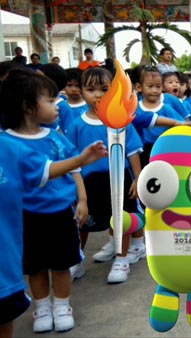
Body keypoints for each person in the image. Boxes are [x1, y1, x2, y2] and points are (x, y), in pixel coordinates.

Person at [0, 69, 88, 333]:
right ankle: (42, 307)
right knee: (34, 266)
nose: (57, 104)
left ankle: (62, 305)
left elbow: (74, 170)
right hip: (25, 216)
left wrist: (82, 199)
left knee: (61, 264)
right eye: (50, 100)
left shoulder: (54, 137)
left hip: (60, 212)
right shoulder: (8, 143)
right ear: (28, 107)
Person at [65, 67, 145, 284]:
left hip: (119, 180)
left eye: (104, 89)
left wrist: (138, 179)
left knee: (121, 220)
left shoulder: (120, 120)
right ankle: (76, 261)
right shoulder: (75, 124)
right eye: (91, 89)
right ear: (82, 91)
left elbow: (132, 152)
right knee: (82, 224)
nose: (98, 94)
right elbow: (72, 161)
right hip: (88, 183)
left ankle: (121, 259)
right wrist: (77, 190)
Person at [56, 68, 87, 133]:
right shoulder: (59, 106)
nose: (73, 89)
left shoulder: (89, 105)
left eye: (77, 86)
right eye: (69, 85)